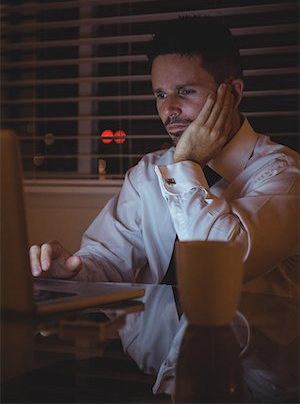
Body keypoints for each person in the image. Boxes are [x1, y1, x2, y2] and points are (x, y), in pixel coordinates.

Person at [29, 16, 299, 296]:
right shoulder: (147, 172)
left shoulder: (285, 175)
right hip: (154, 341)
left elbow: (222, 266)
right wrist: (70, 274)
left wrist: (186, 165)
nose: (169, 109)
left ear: (232, 93)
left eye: (185, 91)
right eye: (160, 95)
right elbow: (108, 261)